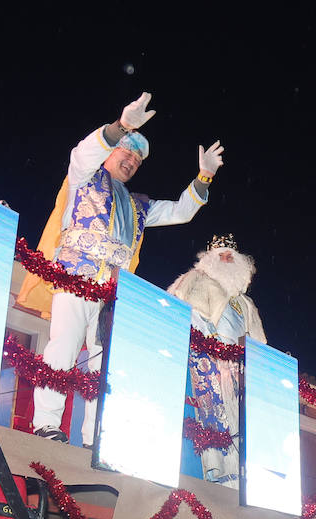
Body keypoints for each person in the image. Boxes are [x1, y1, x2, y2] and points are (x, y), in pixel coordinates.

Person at [28, 93, 223, 444]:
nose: (131, 159)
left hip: (111, 297)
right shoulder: (83, 178)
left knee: (103, 366)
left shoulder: (139, 207)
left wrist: (204, 176)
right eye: (126, 151)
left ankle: (92, 438)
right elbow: (82, 153)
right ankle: (45, 425)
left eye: (137, 157)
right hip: (75, 279)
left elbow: (181, 211)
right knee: (63, 348)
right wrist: (123, 126)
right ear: (112, 151)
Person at [168, 235, 264, 484]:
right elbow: (185, 314)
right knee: (215, 421)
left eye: (230, 256)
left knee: (241, 425)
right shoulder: (196, 280)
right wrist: (213, 347)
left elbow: (259, 343)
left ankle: (238, 475)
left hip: (239, 371)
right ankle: (218, 472)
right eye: (220, 255)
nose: (225, 259)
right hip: (208, 361)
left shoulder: (246, 303)